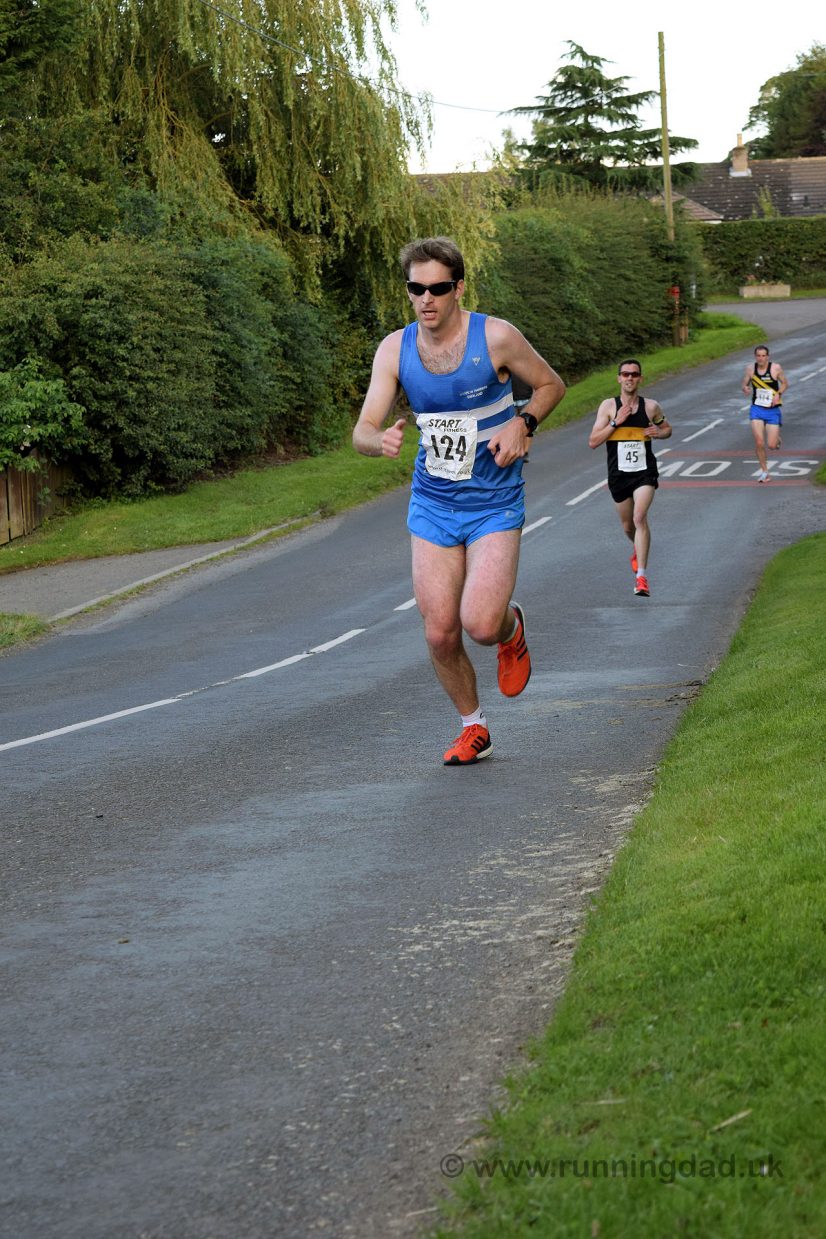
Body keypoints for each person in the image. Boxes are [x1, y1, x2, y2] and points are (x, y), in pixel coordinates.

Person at [352, 236, 565, 765]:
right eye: (416, 289)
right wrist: (375, 441)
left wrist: (523, 422)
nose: (427, 299)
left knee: (480, 624)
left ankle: (510, 627)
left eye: (438, 288)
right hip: (432, 503)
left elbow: (550, 385)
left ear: (458, 288)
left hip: (493, 501)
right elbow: (362, 427)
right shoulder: (394, 350)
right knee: (440, 630)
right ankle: (474, 727)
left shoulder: (495, 337)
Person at [588, 360, 672, 597]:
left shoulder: (651, 407)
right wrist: (616, 422)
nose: (630, 378)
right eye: (625, 374)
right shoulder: (608, 406)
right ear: (618, 378)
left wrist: (659, 432)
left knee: (639, 517)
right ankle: (637, 549)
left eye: (634, 374)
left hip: (644, 472)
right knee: (627, 526)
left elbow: (667, 429)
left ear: (640, 379)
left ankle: (641, 577)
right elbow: (593, 441)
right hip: (618, 475)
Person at [741, 345, 788, 482]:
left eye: (763, 356)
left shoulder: (775, 368)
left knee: (771, 445)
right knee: (759, 442)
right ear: (755, 356)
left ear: (768, 356)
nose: (761, 358)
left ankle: (776, 440)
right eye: (758, 356)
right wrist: (745, 387)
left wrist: (778, 394)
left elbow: (785, 383)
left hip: (772, 410)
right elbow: (745, 381)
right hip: (757, 409)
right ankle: (764, 472)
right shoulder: (751, 369)